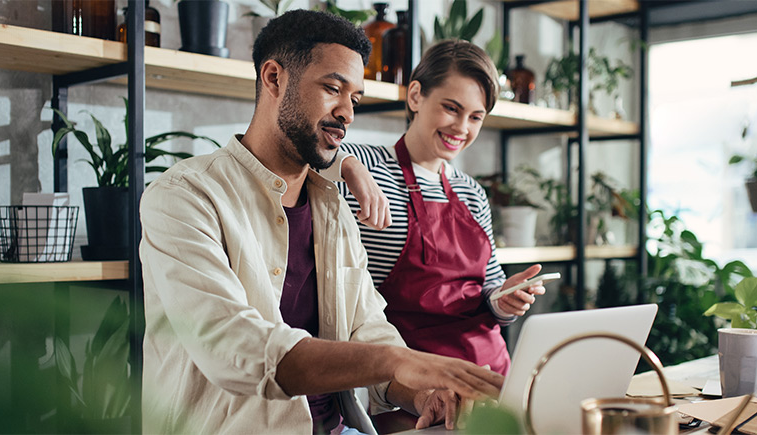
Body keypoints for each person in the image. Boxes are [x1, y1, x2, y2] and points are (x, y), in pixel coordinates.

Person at [139, 10, 503, 435]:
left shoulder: (333, 208)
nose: (347, 113)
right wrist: (399, 360)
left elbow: (368, 329)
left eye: (356, 100)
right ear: (274, 78)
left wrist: (422, 394)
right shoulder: (185, 197)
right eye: (333, 88)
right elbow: (233, 347)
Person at [324, 40, 547, 376]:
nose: (462, 128)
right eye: (451, 108)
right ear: (415, 96)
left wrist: (506, 299)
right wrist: (350, 167)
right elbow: (299, 156)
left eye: (476, 117)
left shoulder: (471, 191)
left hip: (490, 371)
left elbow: (489, 289)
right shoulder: (364, 164)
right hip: (409, 377)